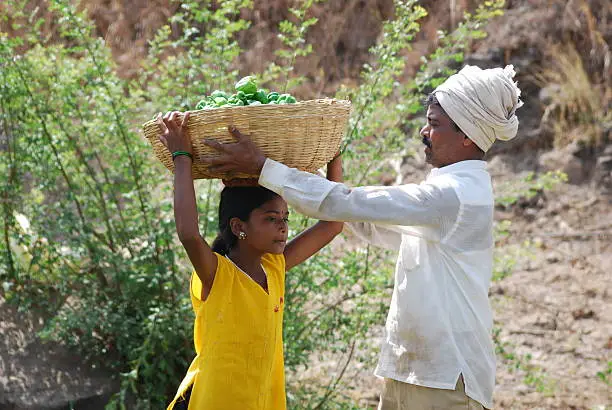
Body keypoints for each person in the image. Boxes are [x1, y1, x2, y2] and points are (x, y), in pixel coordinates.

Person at [201, 65, 523, 409]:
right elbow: (362, 217)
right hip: (416, 372)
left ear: (468, 136)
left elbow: (352, 204)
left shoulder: (455, 196)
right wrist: (308, 176)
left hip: (447, 377)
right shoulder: (447, 191)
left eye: (435, 123)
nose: (424, 132)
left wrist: (266, 167)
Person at [157, 111, 344, 410]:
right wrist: (182, 156)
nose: (283, 227)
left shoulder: (273, 268)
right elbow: (189, 234)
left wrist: (334, 152)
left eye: (285, 217)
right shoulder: (218, 274)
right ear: (238, 227)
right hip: (214, 400)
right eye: (271, 219)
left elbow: (333, 225)